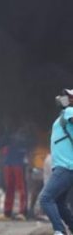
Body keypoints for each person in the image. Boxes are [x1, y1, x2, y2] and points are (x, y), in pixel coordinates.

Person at [40, 90, 73, 235]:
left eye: (69, 96)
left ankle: (59, 231)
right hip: (65, 166)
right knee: (60, 203)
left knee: (46, 198)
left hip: (65, 167)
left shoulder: (69, 111)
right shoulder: (65, 114)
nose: (63, 98)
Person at [0, 127, 31, 220]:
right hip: (10, 161)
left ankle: (22, 211)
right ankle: (8, 211)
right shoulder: (7, 131)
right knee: (9, 187)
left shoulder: (24, 132)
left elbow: (28, 144)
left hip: (18, 162)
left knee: (20, 187)